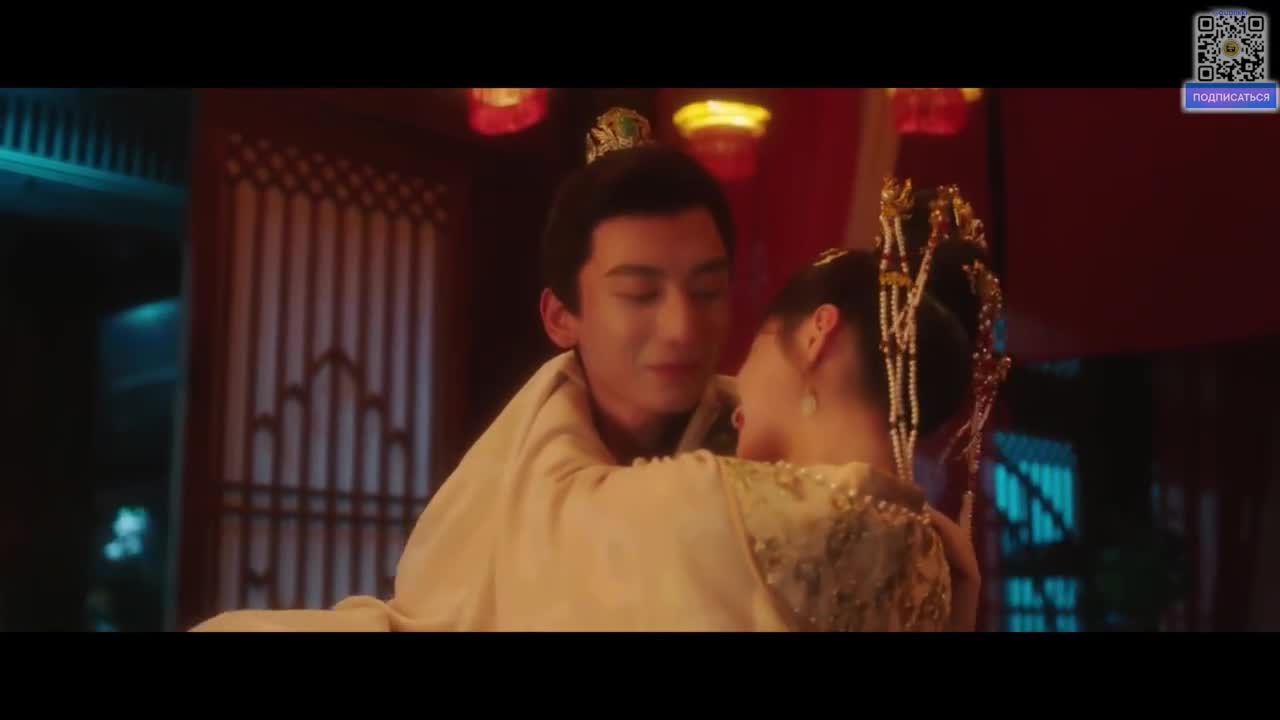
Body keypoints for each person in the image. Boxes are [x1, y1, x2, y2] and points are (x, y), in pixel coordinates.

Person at [191, 113, 989, 632]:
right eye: (639, 293)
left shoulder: (758, 449)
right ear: (559, 317)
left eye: (708, 291)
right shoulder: (522, 461)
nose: (682, 327)